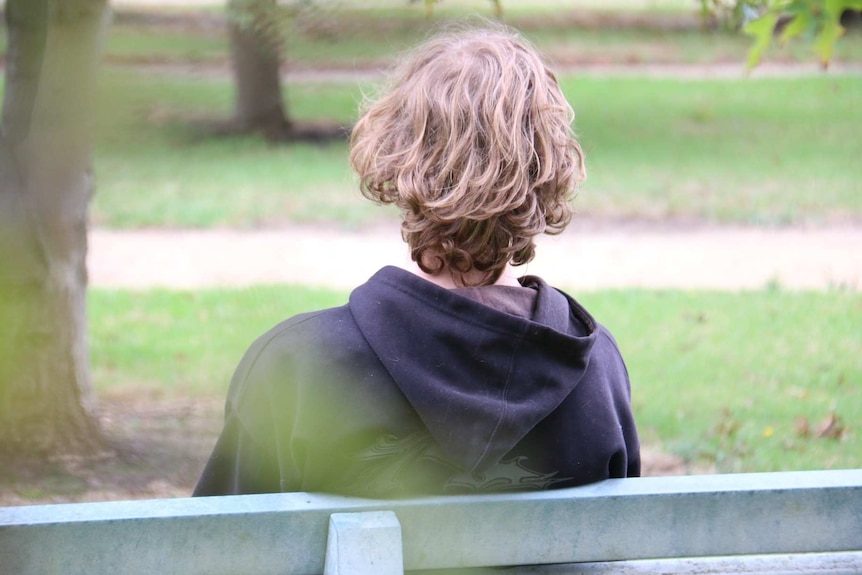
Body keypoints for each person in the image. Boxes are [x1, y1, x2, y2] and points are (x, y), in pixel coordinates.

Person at [194, 24, 640, 498]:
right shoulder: (597, 369)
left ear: (395, 157)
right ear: (549, 171)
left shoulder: (295, 368)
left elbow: (225, 547)